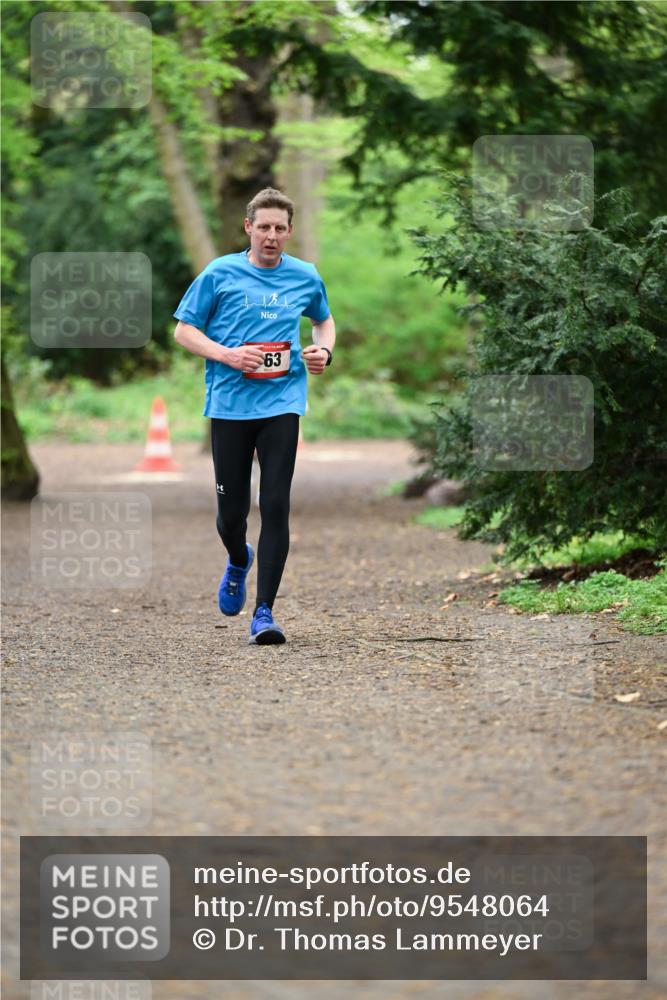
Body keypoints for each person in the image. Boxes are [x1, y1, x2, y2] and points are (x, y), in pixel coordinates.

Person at [173, 188, 336, 645]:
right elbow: (184, 331)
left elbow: (324, 320)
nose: (271, 235)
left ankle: (264, 613)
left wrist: (323, 349)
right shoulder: (219, 273)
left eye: (280, 228)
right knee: (231, 514)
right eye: (263, 226)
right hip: (229, 406)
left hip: (282, 402)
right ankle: (237, 558)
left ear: (289, 232)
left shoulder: (304, 276)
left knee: (277, 503)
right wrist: (227, 355)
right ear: (248, 228)